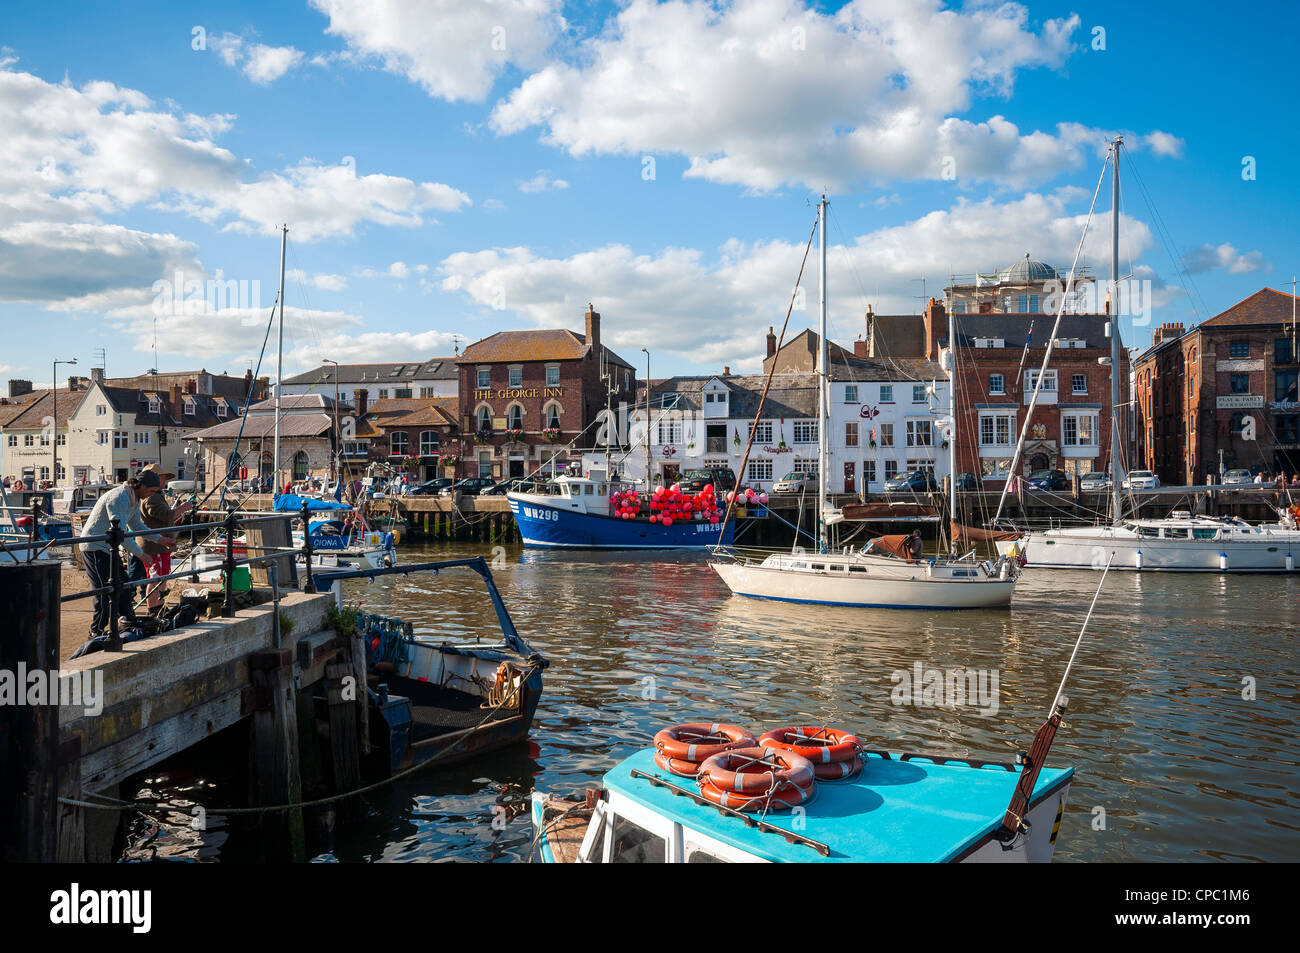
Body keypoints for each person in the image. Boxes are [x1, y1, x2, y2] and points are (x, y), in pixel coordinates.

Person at [78, 472, 160, 638]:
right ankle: (96, 631)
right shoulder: (120, 498)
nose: (152, 495)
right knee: (104, 591)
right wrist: (141, 554)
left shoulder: (133, 498)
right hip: (94, 547)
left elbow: (136, 525)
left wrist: (160, 538)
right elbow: (119, 533)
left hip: (108, 548)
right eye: (152, 491)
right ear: (142, 486)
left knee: (124, 586)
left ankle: (128, 622)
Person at [136, 465, 193, 611]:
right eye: (162, 477)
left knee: (160, 577)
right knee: (157, 578)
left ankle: (158, 605)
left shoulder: (155, 495)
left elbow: (165, 517)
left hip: (159, 543)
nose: (164, 481)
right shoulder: (152, 497)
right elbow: (165, 515)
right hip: (154, 545)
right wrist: (183, 508)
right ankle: (154, 608)